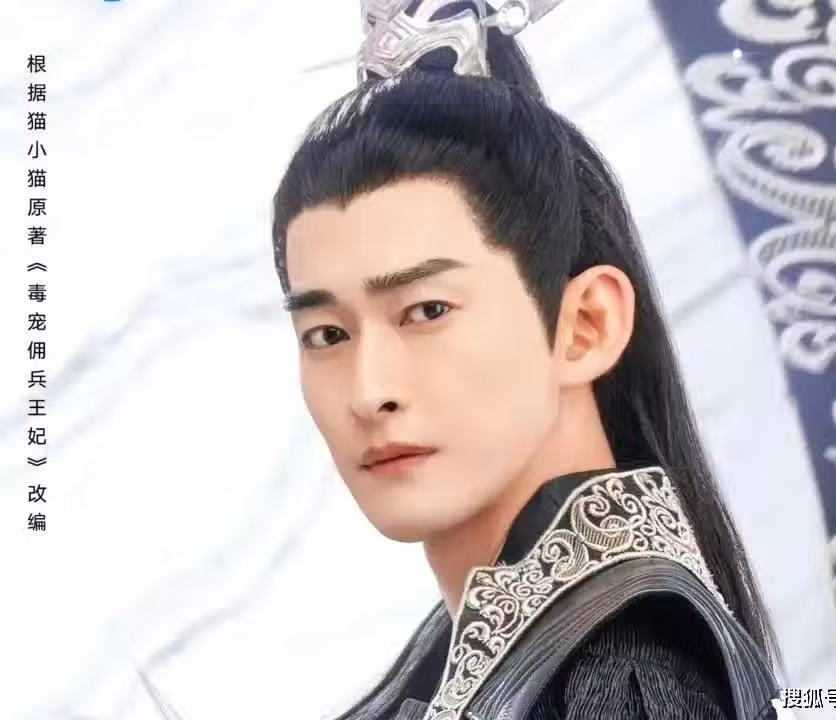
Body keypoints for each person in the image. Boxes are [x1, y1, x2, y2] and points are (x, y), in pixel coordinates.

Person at [270, 2, 788, 718]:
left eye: (427, 311)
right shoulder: (477, 644)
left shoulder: (629, 675)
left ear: (585, 326)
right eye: (328, 334)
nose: (369, 390)